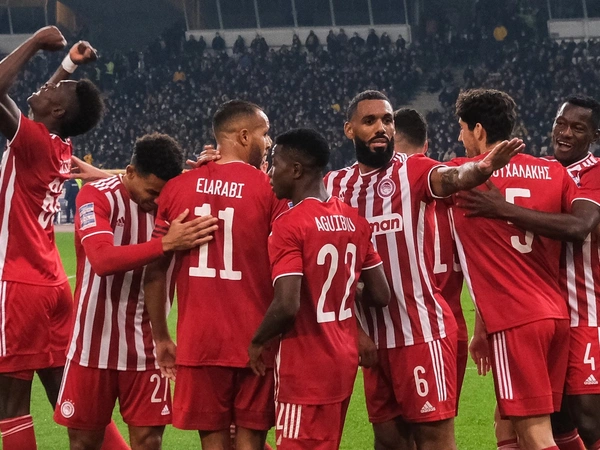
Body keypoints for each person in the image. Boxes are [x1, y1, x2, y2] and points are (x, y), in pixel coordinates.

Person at [323, 90, 523, 450]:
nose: (381, 127)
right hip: (373, 341)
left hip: (420, 334)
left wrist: (480, 169)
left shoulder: (412, 170)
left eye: (387, 120)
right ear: (349, 129)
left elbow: (452, 178)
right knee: (388, 442)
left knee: (434, 440)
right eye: (369, 121)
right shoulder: (335, 186)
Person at [53, 133, 218, 450]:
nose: (157, 201)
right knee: (83, 442)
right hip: (92, 344)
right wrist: (166, 243)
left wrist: (215, 168)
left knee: (149, 441)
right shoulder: (95, 197)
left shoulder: (173, 202)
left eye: (164, 193)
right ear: (130, 172)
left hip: (148, 346)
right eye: (152, 192)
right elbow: (102, 260)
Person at [458, 95, 600, 450]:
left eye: (577, 127)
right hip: (550, 310)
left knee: (583, 420)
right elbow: (501, 256)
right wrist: (482, 327)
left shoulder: (594, 173)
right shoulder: (548, 170)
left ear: (594, 136)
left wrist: (502, 208)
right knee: (537, 420)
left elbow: (579, 227)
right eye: (560, 123)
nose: (565, 133)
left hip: (584, 312)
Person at [144, 100, 288, 450]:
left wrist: (161, 337)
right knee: (251, 442)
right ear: (244, 136)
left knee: (213, 443)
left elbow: (155, 270)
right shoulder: (270, 190)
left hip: (199, 343)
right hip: (256, 340)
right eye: (265, 133)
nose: (268, 142)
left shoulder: (178, 188)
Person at [0, 26, 109, 450]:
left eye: (54, 88)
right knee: (68, 398)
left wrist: (33, 42)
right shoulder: (58, 147)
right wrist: (67, 66)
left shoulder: (33, 143)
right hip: (52, 284)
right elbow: (48, 105)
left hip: (18, 282)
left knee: (10, 405)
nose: (46, 87)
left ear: (59, 110)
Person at [248, 128, 390, 449]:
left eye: (275, 164)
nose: (271, 173)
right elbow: (381, 295)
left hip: (304, 369)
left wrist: (257, 341)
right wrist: (344, 288)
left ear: (296, 170)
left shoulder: (289, 224)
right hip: (342, 362)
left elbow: (287, 305)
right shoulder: (354, 221)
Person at [393, 108, 468, 407]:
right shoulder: (459, 198)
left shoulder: (374, 200)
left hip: (397, 332)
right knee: (439, 426)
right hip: (451, 328)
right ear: (425, 147)